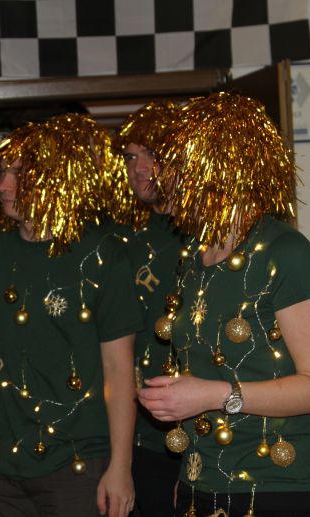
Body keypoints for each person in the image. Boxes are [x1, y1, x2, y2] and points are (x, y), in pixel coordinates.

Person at [138, 92, 310, 516]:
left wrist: (214, 395)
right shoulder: (193, 254)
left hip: (278, 490)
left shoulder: (286, 252)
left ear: (221, 166)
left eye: (178, 165)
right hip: (201, 484)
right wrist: (187, 475)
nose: (165, 178)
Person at [0, 115, 140, 517]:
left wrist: (121, 466)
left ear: (57, 178)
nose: (4, 185)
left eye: (19, 174)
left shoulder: (103, 253)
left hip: (78, 464)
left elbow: (118, 367)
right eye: (3, 171)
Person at [113, 102, 185, 517]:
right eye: (130, 157)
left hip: (205, 442)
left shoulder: (213, 239)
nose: (139, 168)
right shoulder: (123, 241)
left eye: (152, 154)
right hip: (138, 442)